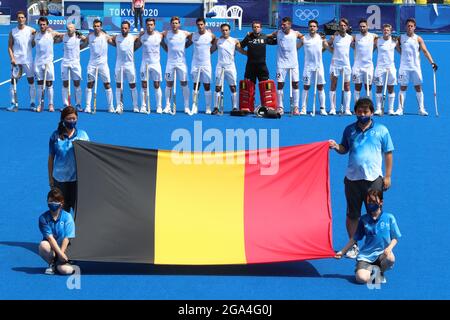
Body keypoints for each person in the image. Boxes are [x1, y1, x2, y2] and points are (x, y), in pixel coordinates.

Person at [329, 98, 394, 259]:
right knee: (352, 214)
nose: (362, 114)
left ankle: (377, 246)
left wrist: (388, 176)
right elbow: (345, 149)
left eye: (365, 112)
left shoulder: (382, 130)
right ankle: (353, 246)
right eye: (359, 111)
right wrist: (337, 146)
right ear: (355, 112)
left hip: (374, 179)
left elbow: (388, 153)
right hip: (352, 179)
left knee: (374, 213)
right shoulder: (349, 130)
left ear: (372, 113)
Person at [335, 189, 401, 285]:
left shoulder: (389, 218)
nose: (371, 204)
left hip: (382, 255)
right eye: (369, 201)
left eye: (374, 201)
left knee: (390, 258)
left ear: (381, 202)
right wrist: (342, 251)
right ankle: (368, 271)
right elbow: (355, 238)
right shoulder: (364, 219)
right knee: (361, 279)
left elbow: (395, 238)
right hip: (366, 257)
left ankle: (379, 272)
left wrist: (389, 248)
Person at [48, 106, 90, 213]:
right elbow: (51, 158)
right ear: (63, 120)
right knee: (62, 213)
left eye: (74, 118)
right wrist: (51, 179)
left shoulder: (83, 135)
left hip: (77, 180)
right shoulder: (55, 136)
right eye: (69, 119)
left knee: (79, 212)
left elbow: (90, 156)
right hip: (60, 181)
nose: (71, 121)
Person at [395, 18, 438, 116]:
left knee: (418, 88)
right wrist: (401, 52)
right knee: (402, 88)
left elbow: (425, 51)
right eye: (408, 26)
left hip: (415, 67)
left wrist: (432, 62)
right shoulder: (400, 38)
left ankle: (421, 109)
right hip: (404, 67)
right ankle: (400, 109)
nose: (410, 27)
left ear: (414, 27)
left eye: (411, 26)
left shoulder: (418, 39)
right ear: (406, 27)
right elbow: (395, 46)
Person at [38, 188, 76, 275]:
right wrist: (60, 255)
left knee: (66, 271)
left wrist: (62, 254)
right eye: (51, 201)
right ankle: (52, 264)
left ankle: (65, 263)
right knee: (43, 245)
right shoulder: (43, 218)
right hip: (52, 248)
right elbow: (50, 238)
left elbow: (67, 238)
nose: (53, 203)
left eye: (56, 201)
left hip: (65, 248)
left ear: (61, 203)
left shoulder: (68, 217)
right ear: (47, 201)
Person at [210, 23, 246, 114]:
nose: (225, 32)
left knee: (233, 87)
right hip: (220, 67)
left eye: (226, 30)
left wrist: (251, 54)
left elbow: (241, 51)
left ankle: (234, 107)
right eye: (223, 30)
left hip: (231, 67)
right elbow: (210, 51)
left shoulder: (234, 41)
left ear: (229, 31)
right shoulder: (217, 41)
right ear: (221, 31)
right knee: (218, 87)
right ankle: (216, 108)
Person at [271, 17, 303, 115]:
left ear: (289, 25)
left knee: (295, 84)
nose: (282, 26)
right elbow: (268, 36)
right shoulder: (278, 33)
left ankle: (296, 107)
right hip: (281, 64)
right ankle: (280, 107)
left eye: (284, 24)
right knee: (280, 84)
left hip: (293, 64)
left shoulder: (295, 33)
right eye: (282, 24)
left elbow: (304, 39)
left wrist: (296, 47)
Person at [107, 21, 140, 113]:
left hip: (130, 65)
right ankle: (118, 106)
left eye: (126, 28)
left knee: (132, 85)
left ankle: (135, 106)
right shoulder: (117, 37)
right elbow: (109, 39)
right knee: (118, 85)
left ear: (129, 29)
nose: (124, 29)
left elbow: (139, 40)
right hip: (119, 65)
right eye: (122, 28)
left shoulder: (133, 37)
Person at [32, 16, 64, 112]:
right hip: (38, 62)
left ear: (47, 25)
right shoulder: (35, 34)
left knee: (49, 83)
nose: (42, 26)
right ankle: (40, 104)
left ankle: (51, 104)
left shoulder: (52, 33)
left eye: (44, 24)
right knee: (40, 84)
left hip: (48, 63)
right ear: (38, 25)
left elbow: (63, 35)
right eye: (40, 24)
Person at [161, 16, 192, 114]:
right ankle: (167, 106)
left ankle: (186, 107)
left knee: (184, 83)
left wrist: (186, 45)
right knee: (168, 84)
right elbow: (157, 37)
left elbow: (194, 38)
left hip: (181, 63)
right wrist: (165, 47)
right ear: (170, 24)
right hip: (170, 62)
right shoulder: (166, 33)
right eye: (173, 23)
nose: (174, 25)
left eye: (176, 23)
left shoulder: (185, 33)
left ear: (179, 24)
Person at [297, 19, 328, 115]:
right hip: (308, 67)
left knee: (320, 87)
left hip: (319, 67)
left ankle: (322, 108)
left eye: (314, 26)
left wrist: (320, 52)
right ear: (308, 27)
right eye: (310, 26)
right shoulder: (304, 38)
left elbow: (326, 48)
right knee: (306, 86)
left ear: (317, 28)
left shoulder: (321, 38)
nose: (312, 28)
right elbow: (295, 48)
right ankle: (303, 109)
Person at [84, 19, 115, 113]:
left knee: (107, 84)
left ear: (101, 27)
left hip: (103, 65)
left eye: (98, 26)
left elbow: (114, 43)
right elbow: (83, 44)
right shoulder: (90, 36)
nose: (96, 28)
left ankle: (111, 106)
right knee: (90, 84)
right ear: (93, 27)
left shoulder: (105, 36)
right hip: (92, 64)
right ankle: (88, 106)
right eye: (95, 26)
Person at [7, 11, 36, 112]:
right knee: (13, 81)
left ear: (25, 19)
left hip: (28, 60)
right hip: (17, 61)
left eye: (22, 17)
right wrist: (12, 58)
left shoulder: (31, 30)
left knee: (31, 81)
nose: (21, 19)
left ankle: (32, 103)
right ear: (17, 19)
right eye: (19, 17)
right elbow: (10, 46)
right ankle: (13, 103)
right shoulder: (13, 31)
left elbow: (35, 41)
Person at [187, 17, 216, 114]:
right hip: (195, 64)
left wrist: (210, 51)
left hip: (206, 64)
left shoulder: (210, 35)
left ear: (205, 25)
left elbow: (215, 42)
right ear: (196, 25)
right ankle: (194, 106)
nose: (200, 26)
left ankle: (208, 107)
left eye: (201, 24)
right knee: (196, 85)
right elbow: (186, 43)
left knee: (207, 86)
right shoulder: (193, 35)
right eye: (198, 25)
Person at [136, 18, 165, 113]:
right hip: (145, 64)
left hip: (156, 64)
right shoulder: (142, 36)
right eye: (148, 24)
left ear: (154, 25)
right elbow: (136, 44)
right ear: (145, 25)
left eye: (151, 24)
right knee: (144, 85)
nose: (149, 26)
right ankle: (143, 106)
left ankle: (159, 106)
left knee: (156, 85)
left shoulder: (159, 35)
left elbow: (167, 35)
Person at [327, 18, 352, 115]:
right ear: (339, 27)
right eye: (341, 25)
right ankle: (333, 108)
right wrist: (333, 52)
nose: (343, 27)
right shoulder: (334, 37)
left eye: (344, 25)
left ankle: (347, 109)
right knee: (333, 85)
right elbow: (326, 45)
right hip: (335, 64)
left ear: (347, 27)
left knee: (347, 86)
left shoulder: (350, 38)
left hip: (346, 64)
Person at [60, 23, 87, 112]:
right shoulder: (63, 36)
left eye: (71, 28)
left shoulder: (78, 37)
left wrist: (82, 37)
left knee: (77, 83)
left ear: (75, 29)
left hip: (75, 63)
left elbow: (87, 41)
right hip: (65, 63)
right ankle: (65, 105)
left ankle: (78, 104)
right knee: (65, 84)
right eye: (68, 28)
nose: (69, 29)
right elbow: (54, 36)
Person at [373, 24, 397, 116]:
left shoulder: (394, 41)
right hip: (380, 68)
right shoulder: (378, 41)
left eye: (388, 30)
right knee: (379, 88)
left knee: (391, 88)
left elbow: (401, 51)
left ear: (390, 32)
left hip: (391, 68)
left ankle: (391, 109)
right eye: (384, 30)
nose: (386, 31)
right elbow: (369, 50)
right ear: (382, 31)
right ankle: (378, 109)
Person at [351, 19, 377, 103]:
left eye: (364, 26)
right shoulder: (355, 37)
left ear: (367, 26)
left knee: (368, 87)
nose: (362, 28)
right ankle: (356, 107)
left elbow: (383, 38)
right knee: (357, 86)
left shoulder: (373, 36)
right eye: (361, 26)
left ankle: (370, 107)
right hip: (357, 66)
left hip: (368, 66)